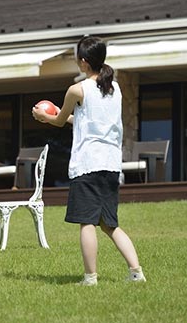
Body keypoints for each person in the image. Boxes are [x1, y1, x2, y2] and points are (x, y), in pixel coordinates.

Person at [32, 35, 146, 286]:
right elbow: (87, 122)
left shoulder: (77, 89)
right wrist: (57, 116)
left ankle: (90, 278)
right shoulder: (115, 89)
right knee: (110, 225)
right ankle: (136, 272)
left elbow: (60, 120)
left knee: (87, 223)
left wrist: (44, 115)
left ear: (84, 62)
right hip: (111, 165)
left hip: (88, 165)